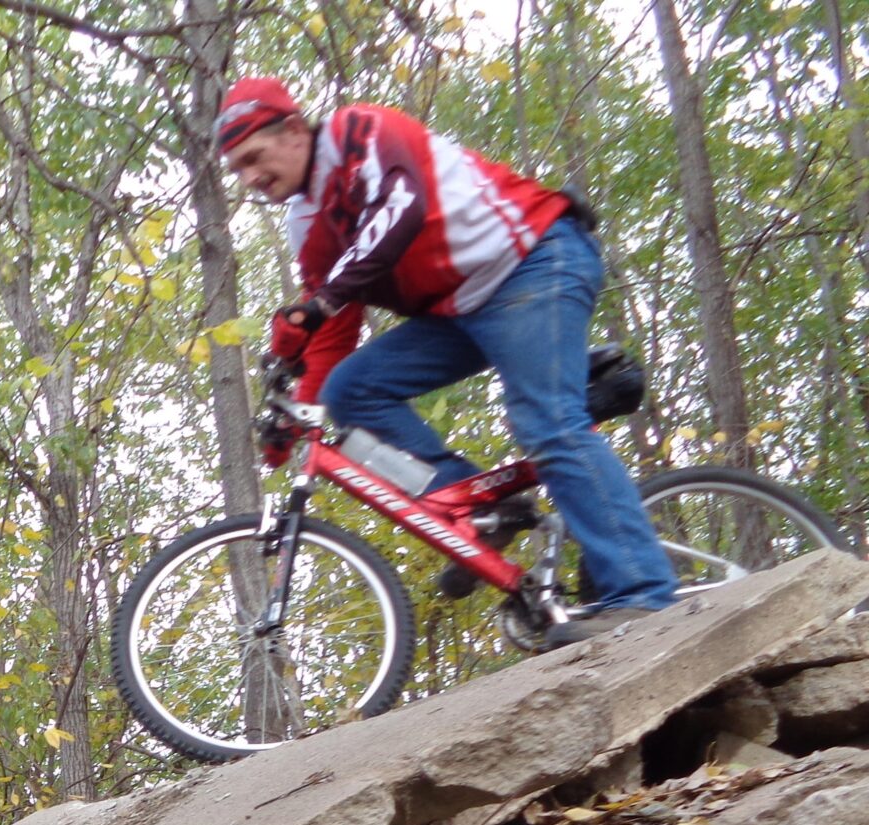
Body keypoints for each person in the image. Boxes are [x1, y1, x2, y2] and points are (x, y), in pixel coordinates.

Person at [215, 76, 676, 643]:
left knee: (546, 421)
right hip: (459, 310)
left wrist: (321, 301)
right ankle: (487, 508)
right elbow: (331, 331)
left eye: (253, 158)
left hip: (532, 260)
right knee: (351, 389)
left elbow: (403, 206)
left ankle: (642, 595)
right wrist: (297, 411)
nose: (250, 178)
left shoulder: (359, 131)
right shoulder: (305, 223)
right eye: (236, 170)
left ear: (292, 130)